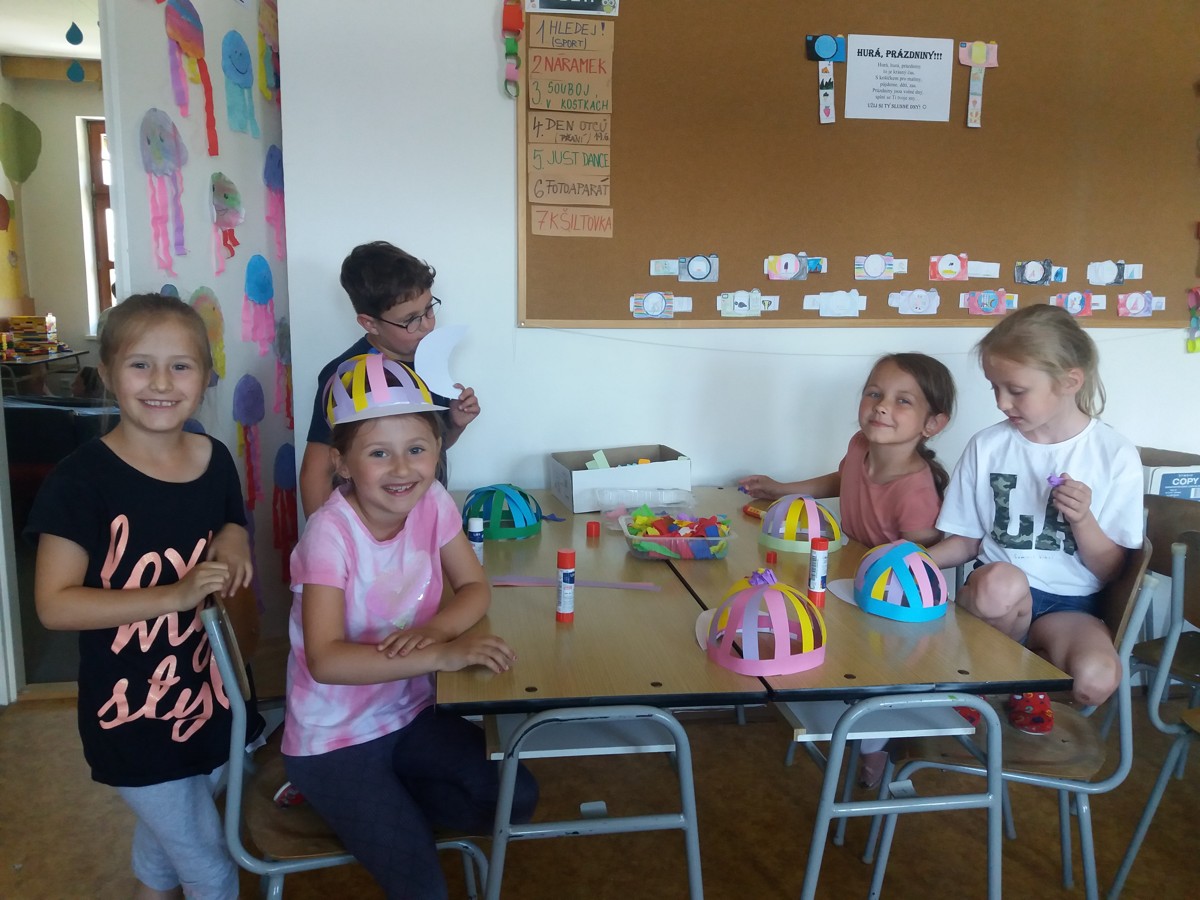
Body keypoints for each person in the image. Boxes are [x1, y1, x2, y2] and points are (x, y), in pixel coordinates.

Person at [283, 353, 537, 898]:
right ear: (343, 463)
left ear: (437, 451)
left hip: (409, 715)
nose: (402, 470)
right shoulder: (328, 535)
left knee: (516, 796)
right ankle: (352, 804)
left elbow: (475, 588)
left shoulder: (433, 502)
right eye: (379, 453)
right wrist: (439, 655)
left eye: (417, 450)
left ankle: (384, 811)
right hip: (333, 742)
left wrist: (438, 632)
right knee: (423, 886)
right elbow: (325, 659)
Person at [27, 293, 253, 900]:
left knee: (171, 838)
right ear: (107, 372)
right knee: (209, 863)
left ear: (205, 376)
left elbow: (231, 521)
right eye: (140, 365)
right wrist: (174, 595)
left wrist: (234, 545)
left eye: (180, 366)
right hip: (131, 715)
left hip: (207, 696)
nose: (161, 382)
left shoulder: (213, 457)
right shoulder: (79, 481)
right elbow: (55, 604)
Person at [929, 304, 1143, 735]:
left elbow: (1111, 570)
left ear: (1069, 382)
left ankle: (1012, 679)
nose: (1001, 402)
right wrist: (915, 561)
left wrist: (1083, 520)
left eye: (1016, 390)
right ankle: (995, 680)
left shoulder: (1114, 454)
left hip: (1071, 607)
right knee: (1001, 584)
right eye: (994, 388)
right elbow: (966, 540)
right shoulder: (988, 446)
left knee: (1097, 680)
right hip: (996, 604)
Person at [298, 241, 481, 516]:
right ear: (370, 323)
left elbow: (427, 448)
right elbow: (316, 470)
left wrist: (455, 424)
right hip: (370, 529)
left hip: (424, 520)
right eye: (410, 320)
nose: (427, 325)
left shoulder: (429, 362)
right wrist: (322, 534)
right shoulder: (346, 376)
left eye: (429, 309)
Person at [739, 352, 956, 548]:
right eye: (874, 394)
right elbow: (844, 480)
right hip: (848, 564)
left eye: (903, 401)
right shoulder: (859, 444)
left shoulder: (917, 493)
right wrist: (780, 489)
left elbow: (919, 563)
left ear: (933, 424)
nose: (881, 406)